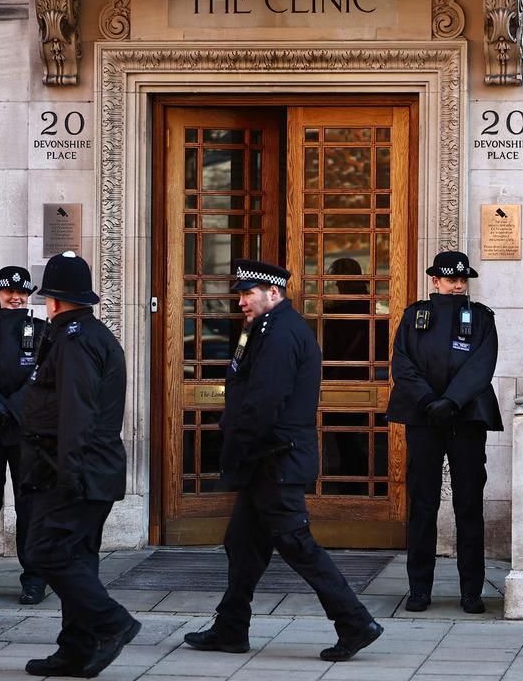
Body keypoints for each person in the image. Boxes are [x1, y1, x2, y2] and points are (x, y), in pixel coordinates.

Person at [184, 259, 384, 663]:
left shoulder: (279, 332)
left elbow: (264, 401)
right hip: (267, 458)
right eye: (240, 293)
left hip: (276, 458)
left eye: (247, 293)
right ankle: (231, 627)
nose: (241, 301)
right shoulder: (264, 328)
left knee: (295, 542)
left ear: (272, 293)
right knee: (242, 542)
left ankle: (354, 620)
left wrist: (235, 446)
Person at [20, 251, 140, 678]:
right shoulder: (86, 334)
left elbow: (77, 413)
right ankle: (75, 648)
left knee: (44, 551)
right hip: (86, 468)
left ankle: (113, 622)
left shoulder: (75, 342)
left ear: (53, 300)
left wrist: (69, 476)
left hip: (76, 470)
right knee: (77, 558)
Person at [387, 250, 501, 614]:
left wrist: (451, 401)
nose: (457, 285)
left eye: (462, 280)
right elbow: (401, 363)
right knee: (423, 504)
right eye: (451, 279)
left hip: (465, 419)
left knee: (468, 504)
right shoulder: (413, 316)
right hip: (424, 419)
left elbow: (482, 364)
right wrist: (427, 401)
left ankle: (471, 590)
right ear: (435, 281)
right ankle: (419, 588)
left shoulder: (481, 319)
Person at [0, 265, 48, 604]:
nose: (16, 297)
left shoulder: (43, 331)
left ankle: (34, 578)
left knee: (30, 507)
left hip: (26, 430)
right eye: (9, 292)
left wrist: (14, 406)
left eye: (22, 292)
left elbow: (44, 373)